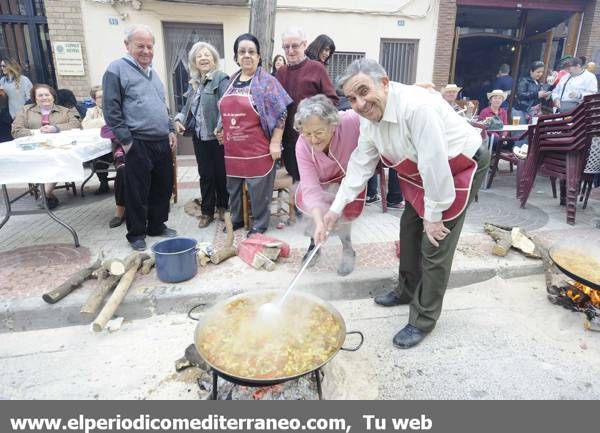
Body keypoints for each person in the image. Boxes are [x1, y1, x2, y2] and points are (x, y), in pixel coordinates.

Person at [322, 59, 490, 349]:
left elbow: (435, 163)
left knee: (434, 242)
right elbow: (361, 163)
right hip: (422, 172)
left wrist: (434, 215)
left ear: (384, 83)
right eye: (352, 98)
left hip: (458, 166)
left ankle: (423, 318)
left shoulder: (416, 108)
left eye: (364, 91)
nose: (360, 103)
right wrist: (335, 208)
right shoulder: (367, 118)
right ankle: (406, 289)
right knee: (409, 226)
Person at [102, 24, 178, 251]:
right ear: (127, 45)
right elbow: (111, 110)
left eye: (149, 46)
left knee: (162, 187)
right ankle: (136, 233)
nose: (146, 50)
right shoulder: (116, 69)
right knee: (137, 190)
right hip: (137, 141)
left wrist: (171, 129)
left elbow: (163, 108)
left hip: (160, 141)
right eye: (140, 46)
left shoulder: (153, 74)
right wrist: (126, 141)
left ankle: (156, 225)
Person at [217, 33, 291, 236]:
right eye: (242, 52)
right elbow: (223, 111)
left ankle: (259, 224)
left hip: (258, 149)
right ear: (236, 57)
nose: (247, 55)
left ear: (259, 57)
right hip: (233, 149)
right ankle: (238, 219)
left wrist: (276, 142)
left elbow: (282, 112)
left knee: (258, 190)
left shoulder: (267, 82)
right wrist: (220, 130)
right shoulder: (230, 82)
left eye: (251, 52)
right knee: (233, 188)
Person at [295, 95, 364, 276]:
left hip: (346, 179)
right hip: (320, 182)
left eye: (318, 133)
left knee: (343, 215)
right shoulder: (302, 145)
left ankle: (348, 249)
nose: (313, 139)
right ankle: (314, 246)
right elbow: (310, 186)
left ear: (332, 124)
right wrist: (319, 222)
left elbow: (372, 108)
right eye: (307, 133)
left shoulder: (349, 121)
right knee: (313, 214)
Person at [174, 41, 229, 228]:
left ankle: (223, 207)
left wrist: (221, 127)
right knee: (205, 174)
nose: (203, 58)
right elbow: (187, 107)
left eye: (207, 55)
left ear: (214, 59)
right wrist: (179, 119)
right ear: (194, 62)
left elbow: (226, 105)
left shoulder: (221, 78)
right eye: (199, 56)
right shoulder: (195, 82)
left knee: (221, 173)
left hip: (216, 136)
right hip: (198, 136)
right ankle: (207, 211)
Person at [276, 26, 338, 183]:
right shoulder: (281, 72)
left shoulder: (317, 68)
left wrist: (314, 114)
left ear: (304, 45)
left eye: (295, 46)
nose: (290, 50)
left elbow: (332, 100)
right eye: (286, 46)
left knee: (314, 186)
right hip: (289, 142)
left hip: (313, 141)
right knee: (298, 184)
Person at [11, 83, 82, 209]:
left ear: (53, 96)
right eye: (40, 95)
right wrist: (37, 132)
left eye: (47, 94)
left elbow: (76, 125)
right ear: (35, 98)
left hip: (58, 149)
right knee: (47, 163)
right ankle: (47, 196)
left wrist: (56, 128)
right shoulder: (26, 110)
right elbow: (16, 130)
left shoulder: (65, 111)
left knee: (60, 160)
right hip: (34, 151)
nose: (44, 97)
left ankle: (44, 194)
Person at [82, 85, 114, 196]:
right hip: (100, 145)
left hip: (116, 144)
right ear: (95, 100)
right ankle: (103, 183)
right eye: (99, 97)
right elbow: (85, 125)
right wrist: (105, 120)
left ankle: (120, 183)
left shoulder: (116, 107)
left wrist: (98, 123)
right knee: (98, 158)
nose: (103, 99)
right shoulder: (91, 111)